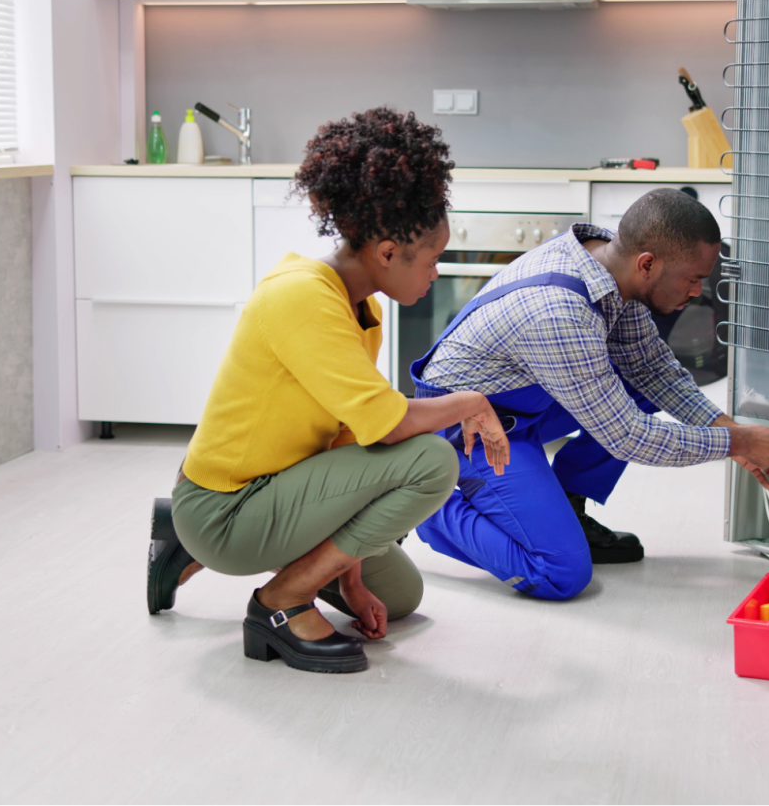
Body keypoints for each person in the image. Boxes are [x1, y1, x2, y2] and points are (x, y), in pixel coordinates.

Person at [145, 108, 510, 674]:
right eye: (433, 260)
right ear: (388, 252)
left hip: (279, 488)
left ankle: (185, 542)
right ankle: (277, 604)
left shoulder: (360, 308)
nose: (436, 274)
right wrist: (471, 402)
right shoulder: (303, 297)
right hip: (227, 507)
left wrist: (353, 579)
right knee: (431, 461)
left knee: (399, 597)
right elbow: (388, 425)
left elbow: (348, 443)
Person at [411, 189, 769, 601]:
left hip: (520, 399)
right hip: (467, 427)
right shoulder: (561, 312)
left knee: (637, 382)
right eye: (692, 279)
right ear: (647, 264)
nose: (697, 291)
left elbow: (651, 368)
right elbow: (627, 437)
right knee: (560, 573)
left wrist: (731, 432)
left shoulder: (610, 267)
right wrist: (740, 442)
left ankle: (568, 509)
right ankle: (425, 509)